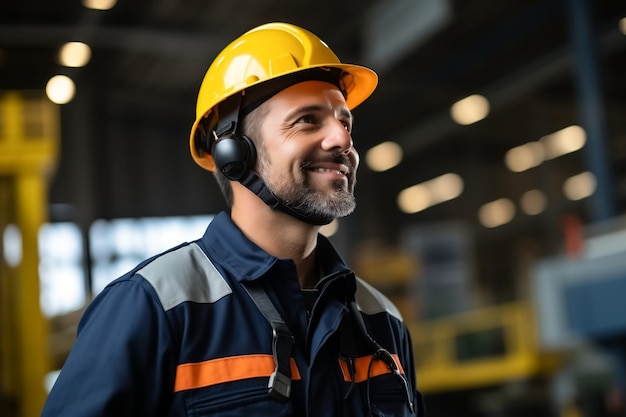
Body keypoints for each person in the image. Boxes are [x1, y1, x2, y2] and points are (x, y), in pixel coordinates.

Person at [40, 22, 425, 417]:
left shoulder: (381, 319)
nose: (343, 140)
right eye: (308, 119)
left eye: (344, 122)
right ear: (232, 153)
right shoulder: (152, 308)